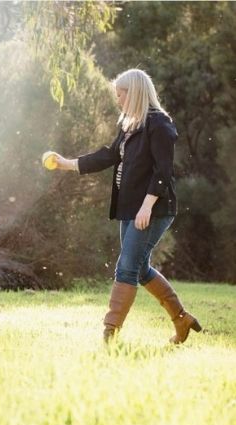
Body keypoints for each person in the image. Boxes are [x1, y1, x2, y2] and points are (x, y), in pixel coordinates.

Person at [48, 68, 201, 344]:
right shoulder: (130, 125)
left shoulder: (160, 124)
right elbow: (108, 156)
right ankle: (182, 320)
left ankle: (110, 333)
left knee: (126, 267)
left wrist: (147, 207)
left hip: (153, 209)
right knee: (140, 270)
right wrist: (66, 163)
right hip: (130, 208)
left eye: (121, 94)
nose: (118, 99)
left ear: (135, 92)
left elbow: (163, 172)